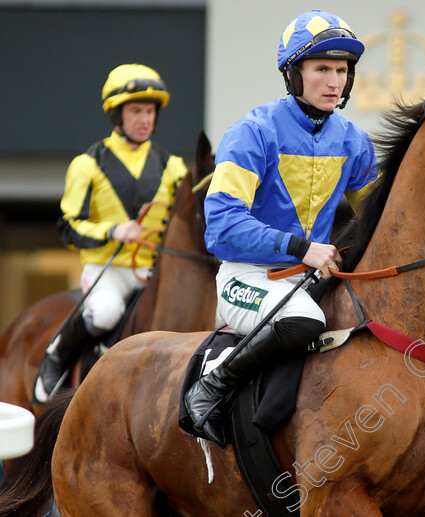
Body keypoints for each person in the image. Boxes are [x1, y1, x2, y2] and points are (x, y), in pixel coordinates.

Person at [183, 9, 378, 445]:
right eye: (322, 69)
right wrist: (301, 247)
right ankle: (209, 387)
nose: (334, 82)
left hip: (312, 281)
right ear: (293, 74)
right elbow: (220, 226)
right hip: (247, 278)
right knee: (304, 319)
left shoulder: (354, 141)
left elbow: (383, 220)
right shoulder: (252, 132)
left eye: (342, 70)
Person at [33, 64, 187, 404]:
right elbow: (68, 226)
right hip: (110, 271)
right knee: (105, 313)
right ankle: (58, 352)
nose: (144, 119)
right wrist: (114, 231)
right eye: (136, 111)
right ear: (117, 114)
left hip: (156, 271)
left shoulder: (173, 166)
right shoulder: (86, 164)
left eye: (149, 111)